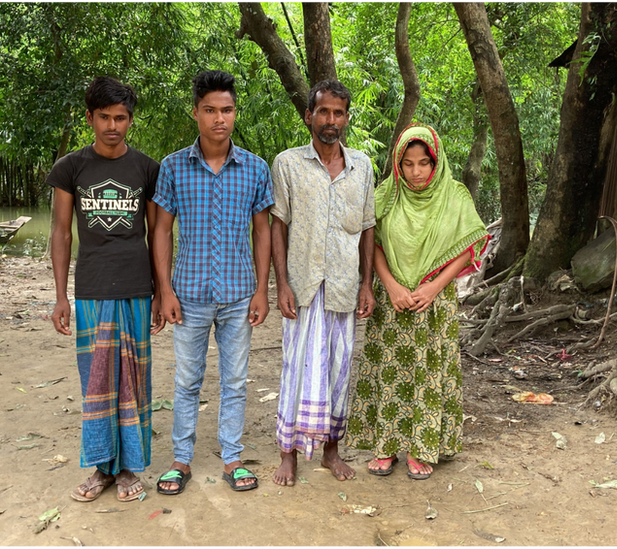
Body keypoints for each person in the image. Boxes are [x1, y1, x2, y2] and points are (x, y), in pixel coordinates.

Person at [152, 70, 273, 494]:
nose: (219, 118)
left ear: (234, 112)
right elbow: (162, 231)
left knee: (235, 381)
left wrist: (262, 288)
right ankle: (181, 461)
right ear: (196, 113)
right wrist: (164, 290)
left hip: (240, 293)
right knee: (187, 380)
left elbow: (263, 231)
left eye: (226, 110)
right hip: (188, 294)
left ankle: (232, 458)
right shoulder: (173, 167)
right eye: (210, 110)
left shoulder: (255, 168)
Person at [345, 124, 490, 480]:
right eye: (407, 164)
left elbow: (469, 245)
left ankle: (422, 447)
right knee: (390, 373)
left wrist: (433, 287)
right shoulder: (386, 195)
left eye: (423, 163)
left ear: (435, 162)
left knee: (428, 373)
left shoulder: (454, 196)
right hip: (393, 300)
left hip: (434, 303)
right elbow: (373, 242)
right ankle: (387, 446)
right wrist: (391, 285)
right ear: (398, 164)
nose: (416, 172)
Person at [48, 76, 165, 503]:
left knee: (134, 380)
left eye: (120, 118)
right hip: (92, 290)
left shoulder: (147, 169)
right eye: (104, 117)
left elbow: (157, 235)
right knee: (97, 382)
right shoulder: (70, 168)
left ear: (130, 120)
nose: (112, 126)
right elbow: (61, 234)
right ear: (90, 118)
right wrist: (61, 296)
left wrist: (160, 292)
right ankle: (101, 468)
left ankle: (131, 468)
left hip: (136, 288)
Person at [269, 80, 376, 487]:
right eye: (324, 111)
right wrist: (283, 284)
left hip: (345, 288)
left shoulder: (362, 167)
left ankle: (332, 452)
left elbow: (367, 227)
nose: (331, 120)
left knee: (339, 369)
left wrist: (367, 284)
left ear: (347, 118)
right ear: (310, 115)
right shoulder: (288, 164)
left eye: (339, 112)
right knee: (296, 368)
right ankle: (288, 454)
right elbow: (278, 225)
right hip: (304, 285)